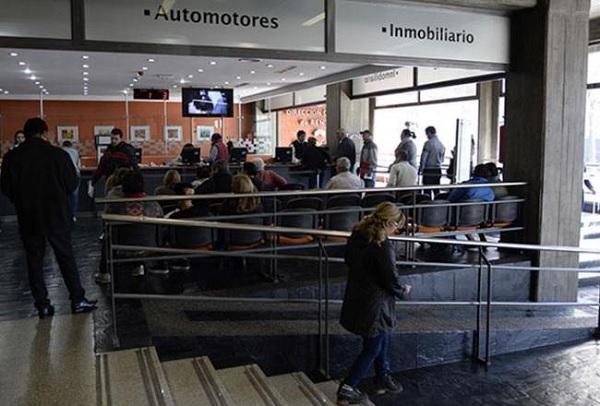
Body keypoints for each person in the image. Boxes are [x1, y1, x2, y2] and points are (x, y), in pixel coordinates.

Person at [0, 117, 97, 317]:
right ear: (45, 133)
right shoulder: (58, 155)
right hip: (56, 214)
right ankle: (77, 299)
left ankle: (42, 304)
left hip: (28, 216)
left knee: (34, 260)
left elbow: (6, 188)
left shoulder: (11, 158)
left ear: (25, 134)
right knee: (65, 256)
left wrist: (20, 199)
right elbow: (72, 183)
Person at [337, 202, 410, 404]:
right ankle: (347, 388)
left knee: (381, 338)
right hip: (375, 305)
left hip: (358, 296)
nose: (396, 230)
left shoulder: (357, 235)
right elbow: (390, 279)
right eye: (396, 226)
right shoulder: (382, 246)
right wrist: (402, 291)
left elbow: (349, 261)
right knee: (372, 348)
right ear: (387, 222)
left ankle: (382, 378)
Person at [96, 171, 164, 282]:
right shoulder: (153, 204)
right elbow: (161, 218)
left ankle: (104, 273)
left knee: (108, 237)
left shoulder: (115, 205)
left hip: (120, 245)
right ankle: (139, 266)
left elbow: (106, 221)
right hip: (149, 245)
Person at [419, 126, 446, 196]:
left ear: (429, 133)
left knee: (427, 191)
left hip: (429, 170)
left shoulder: (428, 143)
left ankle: (427, 202)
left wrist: (421, 168)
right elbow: (442, 159)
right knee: (436, 190)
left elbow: (424, 158)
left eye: (427, 134)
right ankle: (437, 202)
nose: (427, 136)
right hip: (438, 170)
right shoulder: (441, 145)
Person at [61, 140, 81, 223]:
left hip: (63, 174)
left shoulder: (60, 151)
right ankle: (73, 216)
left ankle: (63, 215)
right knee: (74, 196)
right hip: (75, 174)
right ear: (71, 145)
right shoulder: (75, 152)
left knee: (63, 195)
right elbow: (78, 165)